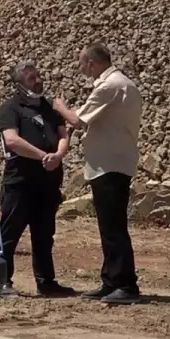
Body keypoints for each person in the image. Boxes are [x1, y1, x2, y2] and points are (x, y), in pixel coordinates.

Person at [51, 43, 143, 305]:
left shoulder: (110, 86)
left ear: (92, 62)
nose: (81, 69)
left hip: (110, 166)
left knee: (113, 227)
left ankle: (126, 284)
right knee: (109, 226)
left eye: (82, 64)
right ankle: (111, 280)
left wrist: (60, 107)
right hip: (110, 164)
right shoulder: (122, 84)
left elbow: (78, 119)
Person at [0, 61, 76, 298]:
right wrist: (43, 156)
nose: (38, 81)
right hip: (20, 181)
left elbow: (63, 134)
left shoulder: (49, 108)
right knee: (9, 233)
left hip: (47, 182)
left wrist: (59, 155)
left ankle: (46, 282)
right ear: (19, 85)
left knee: (44, 233)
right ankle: (1, 280)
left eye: (39, 76)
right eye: (32, 79)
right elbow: (12, 140)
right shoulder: (11, 108)